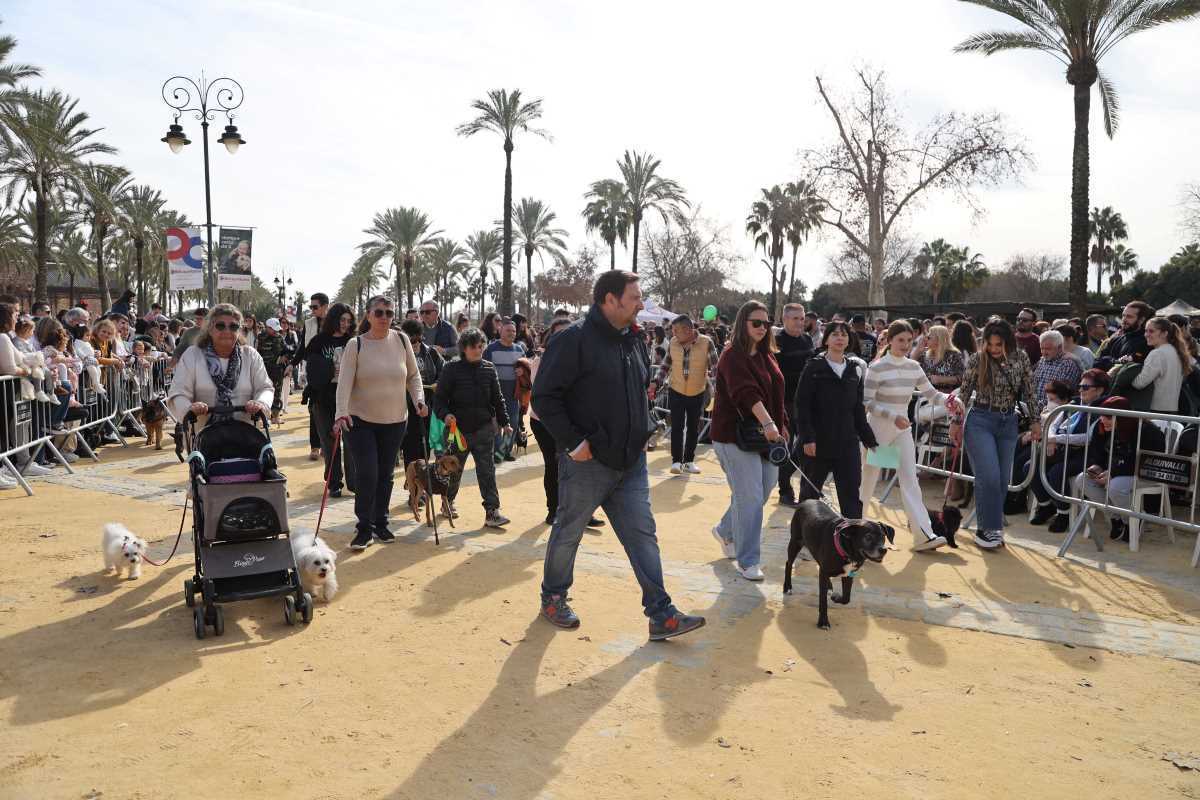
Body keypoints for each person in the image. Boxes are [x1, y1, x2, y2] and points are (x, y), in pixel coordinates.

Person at [533, 270, 705, 640]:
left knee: (642, 535)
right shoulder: (573, 340)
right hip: (587, 463)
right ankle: (553, 597)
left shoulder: (634, 340)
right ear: (609, 300)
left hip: (631, 462)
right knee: (569, 532)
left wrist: (643, 430)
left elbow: (639, 390)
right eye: (635, 297)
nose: (641, 303)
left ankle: (661, 614)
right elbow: (544, 397)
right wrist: (574, 443)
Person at [333, 296, 428, 550]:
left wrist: (419, 399)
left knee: (385, 475)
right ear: (368, 315)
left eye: (388, 313)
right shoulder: (356, 345)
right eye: (379, 312)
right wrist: (340, 412)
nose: (384, 317)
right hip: (360, 420)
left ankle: (381, 522)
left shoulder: (401, 339)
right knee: (368, 473)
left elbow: (413, 376)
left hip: (396, 420)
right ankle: (363, 528)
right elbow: (343, 384)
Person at [709, 301, 788, 580]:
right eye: (756, 323)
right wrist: (768, 423)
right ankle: (748, 560)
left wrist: (782, 428)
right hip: (733, 436)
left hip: (766, 439)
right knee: (751, 497)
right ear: (743, 323)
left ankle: (725, 530)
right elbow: (746, 394)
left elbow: (777, 396)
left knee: (763, 490)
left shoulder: (768, 356)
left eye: (766, 323)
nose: (762, 328)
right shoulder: (732, 356)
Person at [860, 320, 952, 551]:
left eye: (909, 341)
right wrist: (892, 415)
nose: (905, 344)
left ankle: (924, 534)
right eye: (900, 340)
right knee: (868, 481)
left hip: (901, 430)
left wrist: (951, 400)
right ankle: (855, 528)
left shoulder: (914, 366)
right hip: (879, 431)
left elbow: (932, 394)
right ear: (890, 340)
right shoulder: (877, 367)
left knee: (910, 480)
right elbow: (867, 402)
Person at [952, 318, 1040, 550]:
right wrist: (955, 420)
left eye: (998, 344)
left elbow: (1030, 391)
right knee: (988, 477)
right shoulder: (977, 359)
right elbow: (964, 393)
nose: (994, 349)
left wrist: (1036, 422)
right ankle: (987, 529)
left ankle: (992, 528)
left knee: (1001, 481)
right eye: (990, 344)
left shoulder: (1021, 358)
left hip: (1008, 422)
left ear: (1008, 342)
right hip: (980, 420)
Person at [794, 321, 878, 519]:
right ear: (826, 339)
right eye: (835, 334)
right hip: (817, 443)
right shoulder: (814, 367)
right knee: (810, 495)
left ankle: (853, 538)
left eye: (844, 335)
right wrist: (807, 438)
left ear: (850, 340)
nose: (840, 338)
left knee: (850, 494)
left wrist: (869, 439)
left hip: (847, 443)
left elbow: (857, 408)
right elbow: (802, 405)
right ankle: (803, 537)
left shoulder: (854, 370)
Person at [529, 317, 604, 527]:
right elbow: (544, 394)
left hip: (573, 420)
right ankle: (553, 511)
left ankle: (583, 513)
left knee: (580, 467)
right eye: (559, 333)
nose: (566, 338)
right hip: (544, 421)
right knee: (554, 465)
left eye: (569, 332)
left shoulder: (584, 358)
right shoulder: (540, 361)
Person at [435, 327, 512, 528]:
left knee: (487, 471)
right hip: (457, 432)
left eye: (481, 346)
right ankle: (447, 501)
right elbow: (439, 400)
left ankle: (492, 511)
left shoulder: (489, 368)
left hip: (484, 430)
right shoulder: (451, 369)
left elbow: (498, 398)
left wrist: (505, 422)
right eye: (474, 347)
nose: (478, 350)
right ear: (464, 348)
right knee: (454, 471)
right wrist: (446, 415)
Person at [1070, 395, 1166, 543]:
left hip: (1145, 473)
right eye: (1102, 416)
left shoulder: (1147, 431)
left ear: (1123, 417)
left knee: (1116, 486)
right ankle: (1116, 517)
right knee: (1082, 479)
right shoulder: (1104, 428)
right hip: (1117, 472)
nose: (1103, 420)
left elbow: (1144, 463)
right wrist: (1096, 466)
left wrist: (1112, 473)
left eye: (1108, 417)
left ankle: (1131, 521)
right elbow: (1097, 452)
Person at [1022, 370, 1109, 531]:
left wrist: (1056, 439)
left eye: (1086, 387)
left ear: (1100, 390)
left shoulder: (1102, 410)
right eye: (1080, 386)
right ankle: (1046, 505)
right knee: (1030, 465)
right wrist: (1051, 440)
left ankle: (1064, 513)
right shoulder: (1074, 404)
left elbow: (1088, 438)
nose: (1081, 390)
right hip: (1064, 448)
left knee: (1057, 471)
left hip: (1086, 454)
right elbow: (1053, 424)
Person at [166, 303, 274, 430]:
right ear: (210, 329)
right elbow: (178, 392)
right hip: (202, 439)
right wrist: (189, 408)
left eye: (233, 326)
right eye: (220, 326)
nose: (227, 331)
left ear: (239, 331)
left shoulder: (251, 356)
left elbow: (265, 388)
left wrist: (260, 403)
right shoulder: (192, 355)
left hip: (246, 438)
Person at [650, 314, 717, 475]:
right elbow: (665, 366)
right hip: (676, 390)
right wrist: (655, 381)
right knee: (677, 426)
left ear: (687, 330)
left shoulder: (707, 343)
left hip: (697, 391)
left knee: (693, 428)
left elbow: (716, 369)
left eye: (675, 330)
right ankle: (676, 461)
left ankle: (689, 461)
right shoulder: (673, 343)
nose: (672, 334)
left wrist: (717, 390)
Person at [303, 303, 356, 498]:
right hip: (323, 398)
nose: (345, 324)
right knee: (329, 441)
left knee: (351, 441)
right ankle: (334, 482)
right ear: (333, 319)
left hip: (350, 399)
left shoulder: (354, 341)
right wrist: (327, 371)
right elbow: (310, 367)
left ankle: (354, 481)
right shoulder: (319, 341)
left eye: (349, 321)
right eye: (342, 320)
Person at [773, 303, 814, 505]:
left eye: (802, 318)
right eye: (795, 318)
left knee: (807, 445)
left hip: (806, 403)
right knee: (786, 447)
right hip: (785, 402)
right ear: (785, 319)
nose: (800, 322)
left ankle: (803, 490)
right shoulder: (776, 341)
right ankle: (785, 491)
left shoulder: (807, 340)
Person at [399, 318, 444, 467]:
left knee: (425, 441)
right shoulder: (399, 354)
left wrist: (439, 383)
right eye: (412, 341)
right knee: (410, 443)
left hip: (427, 402)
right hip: (406, 404)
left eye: (419, 339)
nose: (417, 344)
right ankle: (411, 478)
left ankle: (423, 477)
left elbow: (444, 371)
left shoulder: (431, 352)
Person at [294, 293, 329, 462]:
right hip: (313, 372)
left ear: (325, 306)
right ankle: (315, 446)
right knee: (314, 408)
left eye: (315, 307)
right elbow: (302, 347)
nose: (312, 310)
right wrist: (292, 364)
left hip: (333, 373)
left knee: (331, 411)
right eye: (311, 307)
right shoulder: (309, 324)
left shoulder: (336, 322)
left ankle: (327, 444)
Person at [483, 319, 526, 460]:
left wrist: (523, 371)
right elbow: (483, 368)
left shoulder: (519, 350)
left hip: (513, 394)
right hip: (495, 393)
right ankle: (498, 453)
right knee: (496, 425)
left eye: (513, 331)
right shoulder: (490, 349)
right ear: (500, 330)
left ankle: (505, 452)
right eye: (508, 330)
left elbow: (526, 369)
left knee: (512, 423)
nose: (511, 333)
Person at [1132, 316, 1192, 414]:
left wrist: (1126, 371)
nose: (1146, 335)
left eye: (1151, 331)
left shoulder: (1157, 353)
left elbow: (1139, 383)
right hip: (1171, 411)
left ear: (1164, 334)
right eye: (1146, 331)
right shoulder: (1176, 351)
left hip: (1155, 411)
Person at [919, 324, 965, 421]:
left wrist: (942, 379)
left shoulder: (954, 355)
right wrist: (918, 349)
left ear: (939, 338)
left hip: (947, 399)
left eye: (929, 337)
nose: (926, 339)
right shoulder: (925, 355)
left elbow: (962, 378)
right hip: (927, 398)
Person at [1032, 330, 1082, 408]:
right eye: (1042, 348)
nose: (1044, 352)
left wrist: (1038, 407)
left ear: (1059, 347)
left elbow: (1060, 394)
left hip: (1055, 412)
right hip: (1037, 410)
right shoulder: (1042, 361)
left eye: (1048, 349)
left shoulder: (1067, 364)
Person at [1096, 301, 1152, 369]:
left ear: (1141, 320)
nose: (1124, 319)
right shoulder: (1115, 339)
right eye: (1123, 315)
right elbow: (1097, 362)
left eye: (1129, 316)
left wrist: (1108, 361)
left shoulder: (1147, 342)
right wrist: (1115, 361)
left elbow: (1130, 367)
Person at [256, 318, 290, 426]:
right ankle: (263, 417)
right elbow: (255, 353)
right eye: (273, 329)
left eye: (276, 329)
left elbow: (287, 351)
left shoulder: (279, 337)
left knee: (277, 393)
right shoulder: (260, 338)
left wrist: (284, 357)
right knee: (262, 392)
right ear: (267, 328)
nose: (276, 332)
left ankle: (275, 416)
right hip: (263, 370)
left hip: (277, 370)